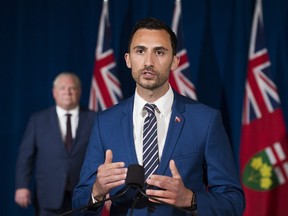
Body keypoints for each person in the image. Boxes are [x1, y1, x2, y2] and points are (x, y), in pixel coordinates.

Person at [72, 17, 245, 215]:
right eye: (140, 51)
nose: (148, 62)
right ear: (128, 59)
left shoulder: (206, 120)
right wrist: (97, 192)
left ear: (174, 61)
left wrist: (190, 199)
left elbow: (234, 201)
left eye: (160, 52)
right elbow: (78, 204)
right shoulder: (105, 122)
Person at [14, 72, 96, 216]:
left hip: (83, 196)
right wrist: (22, 186)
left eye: (72, 88)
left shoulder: (94, 119)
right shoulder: (38, 120)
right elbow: (25, 156)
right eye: (62, 88)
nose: (67, 92)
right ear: (54, 92)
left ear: (79, 91)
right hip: (48, 196)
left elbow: (102, 155)